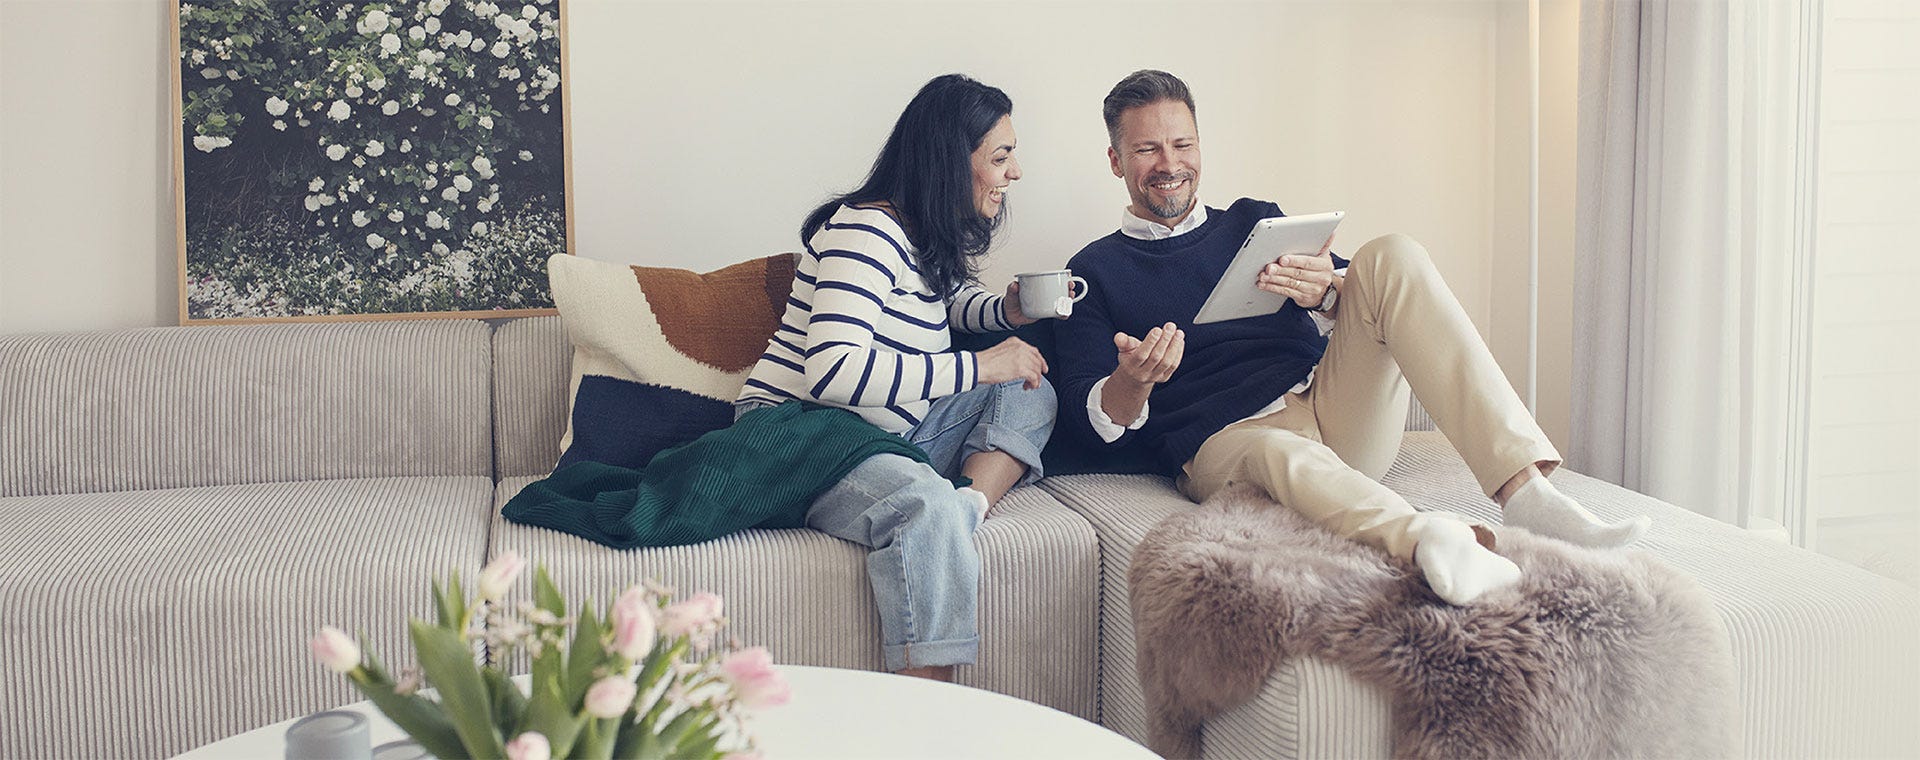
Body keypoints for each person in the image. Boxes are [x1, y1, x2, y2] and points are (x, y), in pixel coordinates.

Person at [1054, 70, 1650, 606]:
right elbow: (1092, 419)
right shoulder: (1091, 272)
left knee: (1390, 254)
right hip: (1226, 441)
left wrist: (1326, 291)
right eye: (1147, 149)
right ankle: (1433, 541)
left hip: (1331, 406)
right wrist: (1131, 383)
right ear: (1115, 160)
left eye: (1182, 144)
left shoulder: (1254, 220)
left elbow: (1366, 301)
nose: (1170, 163)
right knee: (1274, 450)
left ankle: (1526, 492)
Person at [733, 74, 1057, 680]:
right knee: (922, 505)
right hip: (803, 433)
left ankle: (969, 505)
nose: (1013, 174)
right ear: (949, 161)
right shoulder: (866, 231)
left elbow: (942, 305)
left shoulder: (919, 233)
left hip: (888, 431)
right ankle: (926, 706)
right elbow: (832, 372)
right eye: (1001, 156)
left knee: (1032, 388)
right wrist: (981, 363)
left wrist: (1007, 313)